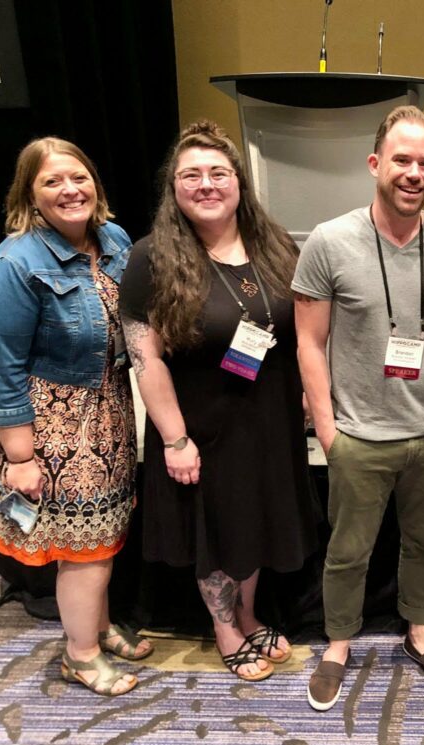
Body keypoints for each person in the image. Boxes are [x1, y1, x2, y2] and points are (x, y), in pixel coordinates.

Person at [119, 120, 318, 683]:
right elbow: (146, 357)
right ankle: (225, 626)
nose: (206, 184)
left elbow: (299, 332)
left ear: (238, 183)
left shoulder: (276, 245)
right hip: (201, 425)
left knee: (256, 521)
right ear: (174, 188)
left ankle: (250, 613)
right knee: (218, 526)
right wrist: (174, 439)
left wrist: (304, 394)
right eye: (192, 175)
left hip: (269, 420)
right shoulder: (150, 259)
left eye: (218, 173)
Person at [294, 105, 424, 711]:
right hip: (359, 434)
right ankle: (338, 642)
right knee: (349, 549)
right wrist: (328, 428)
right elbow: (309, 343)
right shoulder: (329, 241)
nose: (414, 173)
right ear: (376, 164)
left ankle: (419, 631)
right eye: (402, 160)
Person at [0, 137, 150, 696]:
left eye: (79, 178)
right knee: (82, 549)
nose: (70, 190)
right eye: (52, 182)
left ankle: (94, 624)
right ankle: (81, 654)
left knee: (104, 534)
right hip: (50, 428)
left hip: (108, 416)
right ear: (29, 195)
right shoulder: (9, 267)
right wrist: (20, 456)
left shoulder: (113, 240)